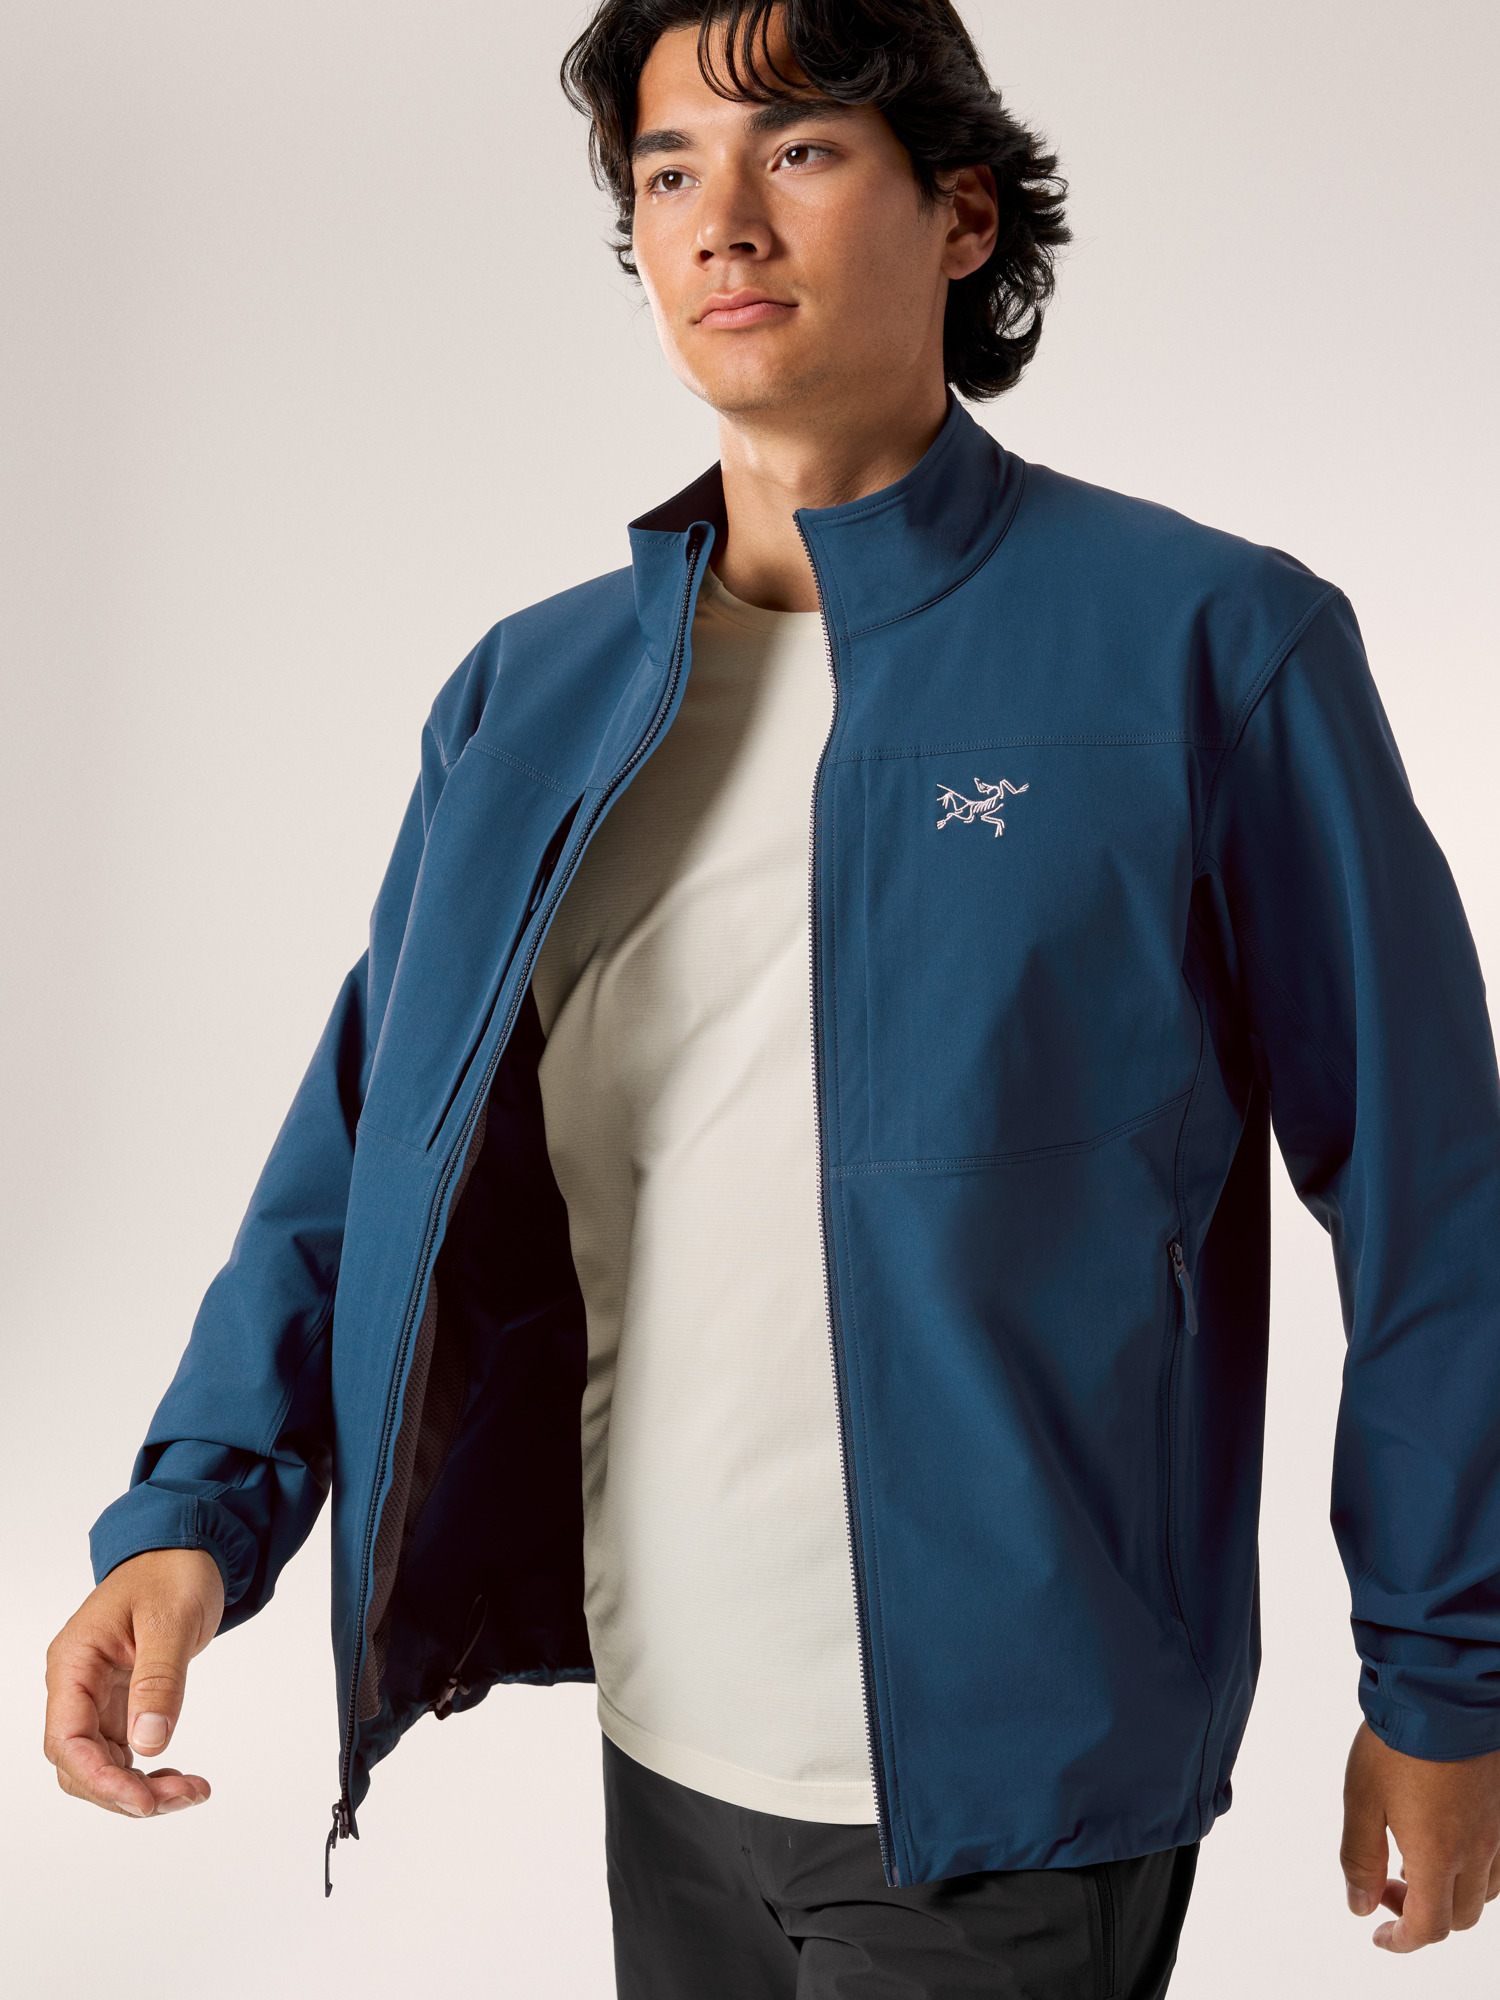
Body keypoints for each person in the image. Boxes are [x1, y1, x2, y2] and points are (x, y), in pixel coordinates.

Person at [42, 2, 1500, 1993]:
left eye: (798, 149)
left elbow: (1430, 1191)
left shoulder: (1207, 645)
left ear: (963, 217)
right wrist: (190, 1514)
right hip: (668, 1747)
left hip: (1012, 1795)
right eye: (668, 172)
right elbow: (365, 1141)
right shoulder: (531, 694)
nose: (720, 219)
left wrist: (1448, 1676)